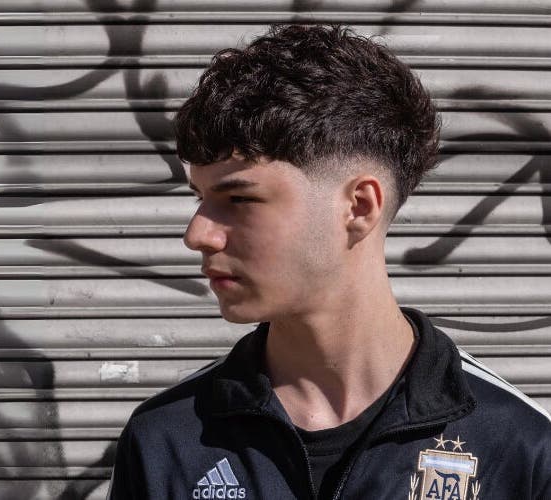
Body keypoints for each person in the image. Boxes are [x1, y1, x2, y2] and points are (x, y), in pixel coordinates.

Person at [106, 24, 551, 500]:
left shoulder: (517, 447)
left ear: (359, 207)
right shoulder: (167, 439)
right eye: (199, 198)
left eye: (238, 197)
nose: (197, 234)